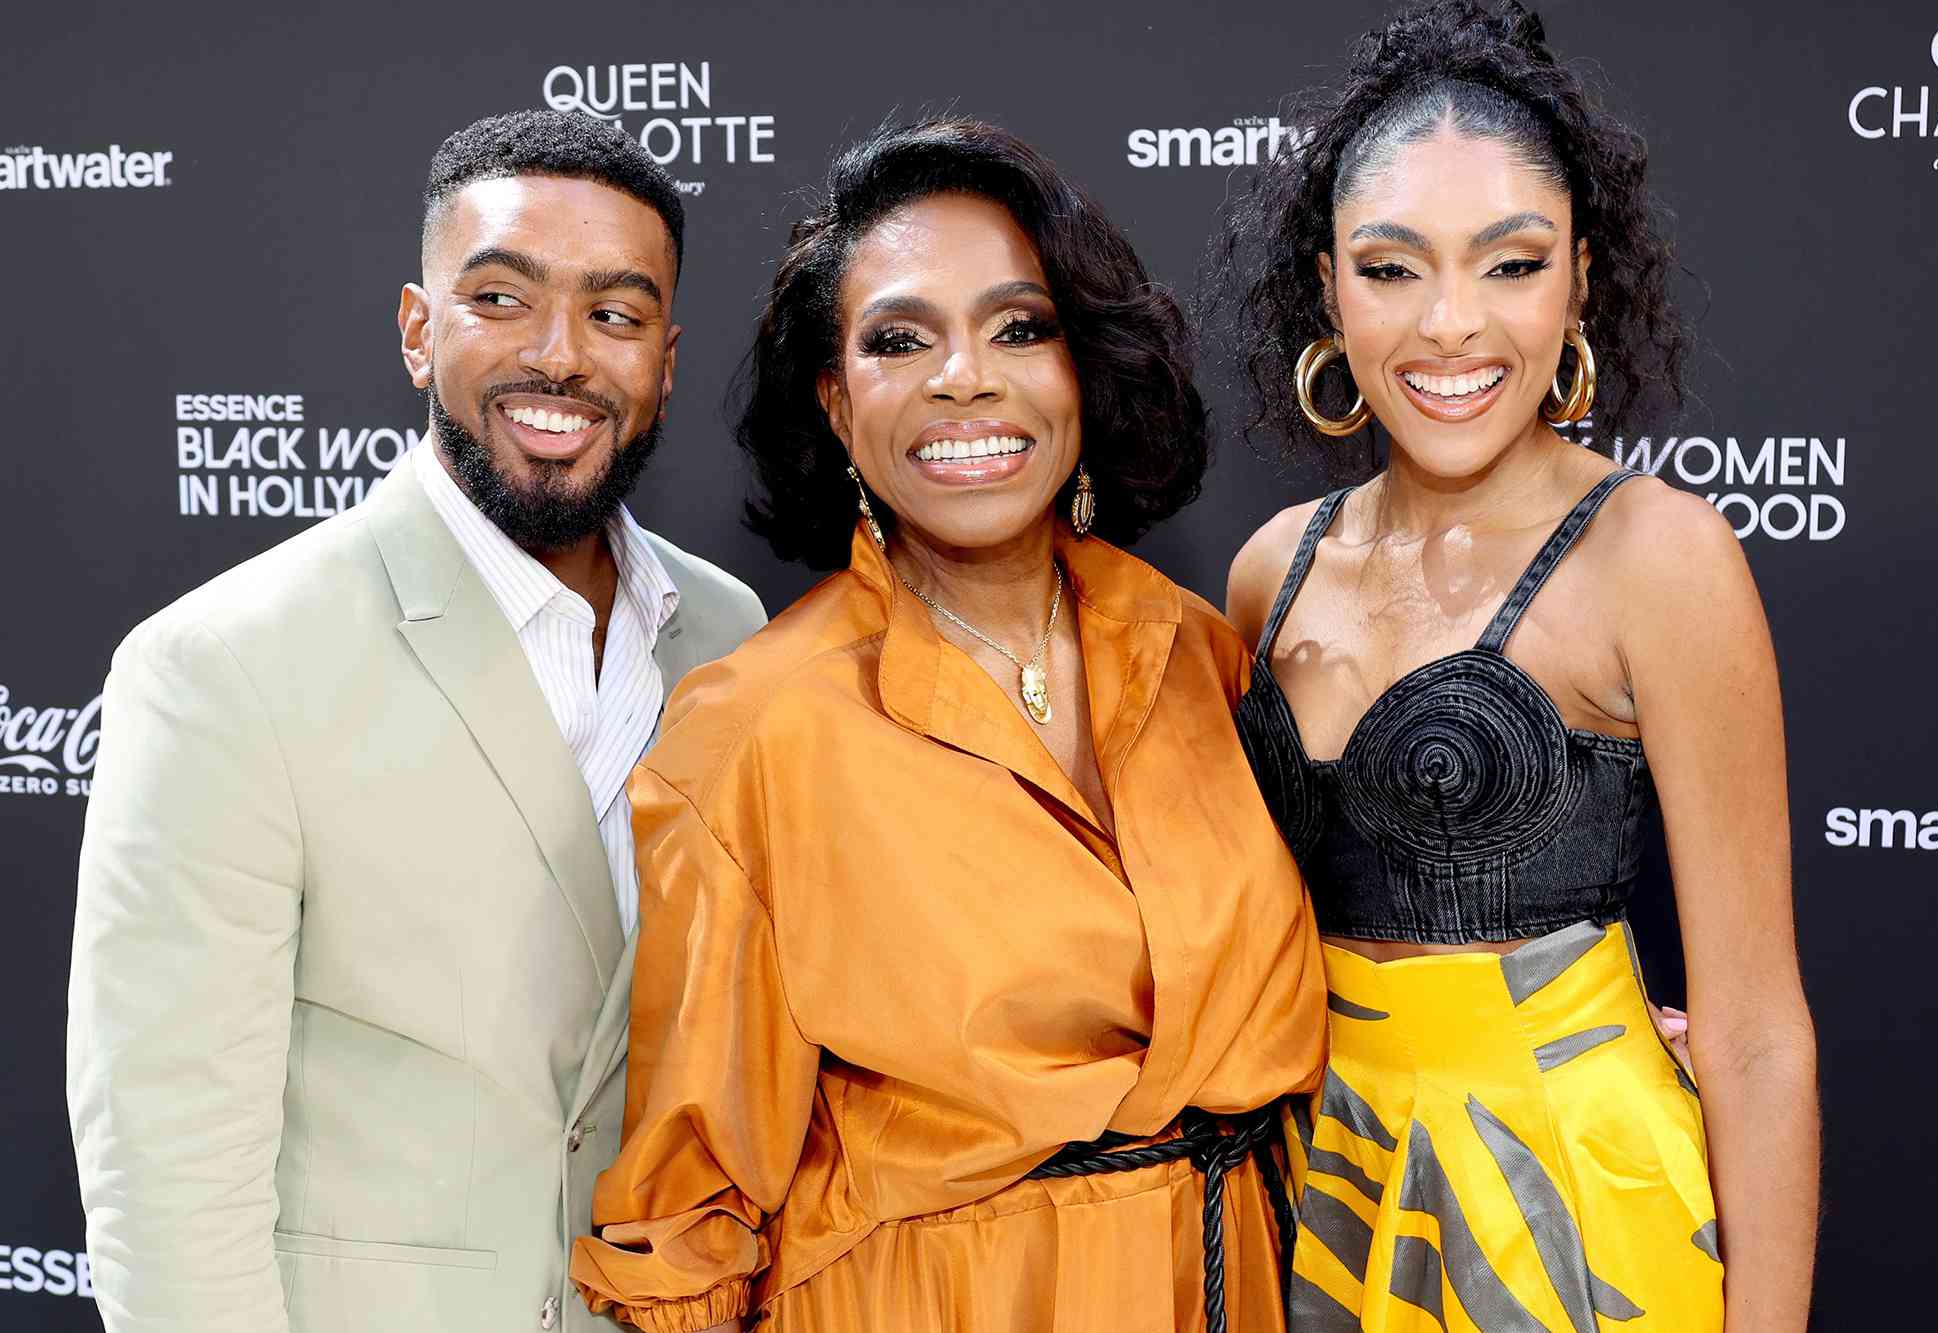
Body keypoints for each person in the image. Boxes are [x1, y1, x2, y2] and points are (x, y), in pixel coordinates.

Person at [568, 118, 1324, 1333]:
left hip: (1225, 1280)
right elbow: (691, 1195)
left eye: (1019, 328)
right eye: (899, 340)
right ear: (835, 397)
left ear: (1083, 366)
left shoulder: (1198, 652)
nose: (963, 376)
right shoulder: (757, 729)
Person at [68, 109, 765, 1332]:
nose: (560, 356)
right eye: (502, 298)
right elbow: (166, 1175)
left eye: (615, 313)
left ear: (663, 358)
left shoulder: (728, 632)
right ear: (415, 328)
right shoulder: (221, 666)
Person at [1220, 3, 1820, 1329]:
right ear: (1327, 284)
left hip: (1578, 1207)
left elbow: (1761, 1033)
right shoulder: (1269, 569)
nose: (1450, 328)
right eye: (1392, 269)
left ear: (1580, 280)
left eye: (1509, 264)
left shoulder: (1657, 561)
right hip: (1326, 1188)